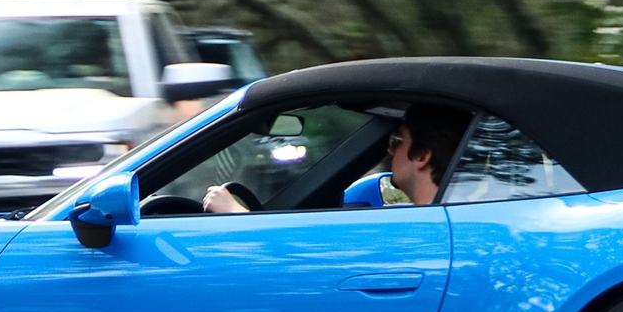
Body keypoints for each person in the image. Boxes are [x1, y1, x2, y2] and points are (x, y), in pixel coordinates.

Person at [201, 103, 470, 213]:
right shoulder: (434, 218)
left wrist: (237, 215)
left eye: (397, 141)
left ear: (422, 156)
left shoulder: (425, 227)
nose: (390, 150)